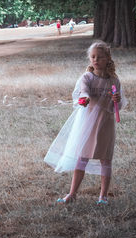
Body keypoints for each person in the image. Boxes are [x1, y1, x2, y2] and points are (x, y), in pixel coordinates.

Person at [44, 41, 127, 205]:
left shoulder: (113, 81)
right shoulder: (87, 77)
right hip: (88, 122)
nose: (96, 60)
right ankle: (72, 194)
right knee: (82, 157)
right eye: (93, 57)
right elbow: (83, 91)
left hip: (106, 124)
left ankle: (103, 196)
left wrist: (116, 100)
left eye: (100, 57)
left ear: (107, 59)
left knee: (106, 159)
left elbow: (116, 105)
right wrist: (85, 98)